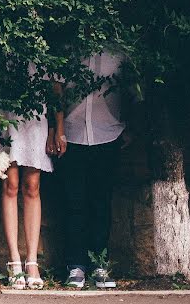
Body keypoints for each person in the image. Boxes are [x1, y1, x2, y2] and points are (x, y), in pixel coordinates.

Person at [52, 50, 134, 289]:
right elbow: (56, 90)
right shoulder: (70, 51)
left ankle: (99, 264)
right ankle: (75, 266)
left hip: (108, 133)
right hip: (73, 134)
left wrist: (130, 127)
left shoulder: (119, 54)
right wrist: (59, 130)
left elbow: (133, 91)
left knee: (101, 202)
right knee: (74, 203)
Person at [0, 65, 65, 290]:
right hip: (6, 117)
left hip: (36, 120)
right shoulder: (3, 45)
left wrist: (57, 130)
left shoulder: (45, 49)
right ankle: (14, 261)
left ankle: (32, 261)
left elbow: (55, 90)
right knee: (10, 185)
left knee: (32, 185)